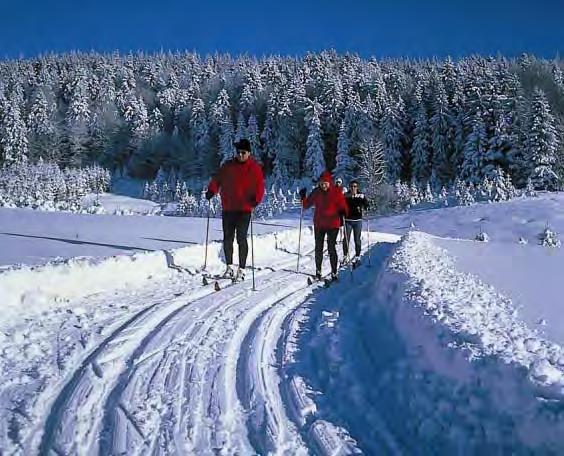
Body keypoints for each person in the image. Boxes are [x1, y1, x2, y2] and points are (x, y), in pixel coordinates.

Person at [206, 138, 265, 281]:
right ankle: (230, 267)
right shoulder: (228, 166)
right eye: (238, 152)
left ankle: (242, 269)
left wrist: (256, 200)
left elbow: (260, 187)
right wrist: (211, 191)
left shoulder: (255, 168)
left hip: (244, 209)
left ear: (249, 153)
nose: (240, 155)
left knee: (241, 238)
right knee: (227, 239)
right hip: (228, 208)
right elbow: (216, 180)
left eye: (243, 152)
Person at [300, 171, 348, 281]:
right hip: (319, 224)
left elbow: (343, 206)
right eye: (321, 183)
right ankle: (318, 271)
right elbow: (306, 205)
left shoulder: (336, 192)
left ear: (329, 182)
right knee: (318, 248)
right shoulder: (316, 192)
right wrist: (303, 197)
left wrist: (343, 211)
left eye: (325, 183)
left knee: (331, 248)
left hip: (333, 224)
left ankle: (334, 272)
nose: (323, 185)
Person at [343, 179, 369, 265]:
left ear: (357, 187)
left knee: (357, 239)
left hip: (357, 221)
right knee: (346, 239)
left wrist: (366, 207)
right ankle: (345, 256)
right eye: (351, 186)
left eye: (355, 186)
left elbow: (366, 204)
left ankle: (358, 255)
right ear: (349, 187)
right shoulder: (346, 196)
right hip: (348, 221)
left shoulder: (361, 196)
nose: (353, 188)